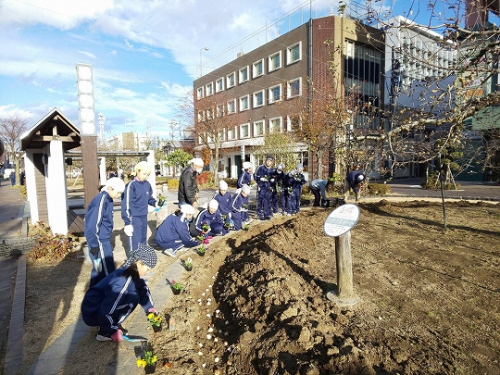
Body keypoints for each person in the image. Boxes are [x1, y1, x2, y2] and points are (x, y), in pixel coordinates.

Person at [81, 244, 158, 342]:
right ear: (139, 262)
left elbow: (142, 288)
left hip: (98, 305)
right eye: (147, 269)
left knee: (134, 295)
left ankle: (108, 326)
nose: (147, 272)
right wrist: (112, 331)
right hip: (92, 310)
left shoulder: (130, 272)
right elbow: (106, 310)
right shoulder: (122, 283)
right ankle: (105, 333)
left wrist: (149, 307)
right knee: (132, 298)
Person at [85, 177, 126, 287]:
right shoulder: (101, 200)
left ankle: (93, 293)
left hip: (102, 239)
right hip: (99, 241)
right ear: (110, 188)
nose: (118, 196)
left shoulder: (108, 199)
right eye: (118, 193)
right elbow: (93, 224)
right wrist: (94, 245)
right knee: (107, 268)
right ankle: (111, 292)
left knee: (98, 269)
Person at [121, 161, 157, 258]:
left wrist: (155, 203)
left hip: (143, 216)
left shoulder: (147, 185)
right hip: (134, 217)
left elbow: (149, 198)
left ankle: (141, 263)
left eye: (148, 175)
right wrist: (127, 222)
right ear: (138, 171)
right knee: (135, 241)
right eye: (144, 174)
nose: (146, 176)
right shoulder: (131, 185)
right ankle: (134, 266)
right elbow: (126, 204)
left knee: (142, 240)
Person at [254, 155, 275, 220]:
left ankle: (267, 214)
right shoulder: (260, 168)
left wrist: (273, 180)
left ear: (272, 162)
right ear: (265, 161)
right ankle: (259, 215)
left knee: (268, 201)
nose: (268, 163)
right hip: (261, 187)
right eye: (267, 161)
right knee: (260, 201)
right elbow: (255, 176)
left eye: (270, 161)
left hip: (268, 188)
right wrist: (260, 179)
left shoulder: (273, 170)